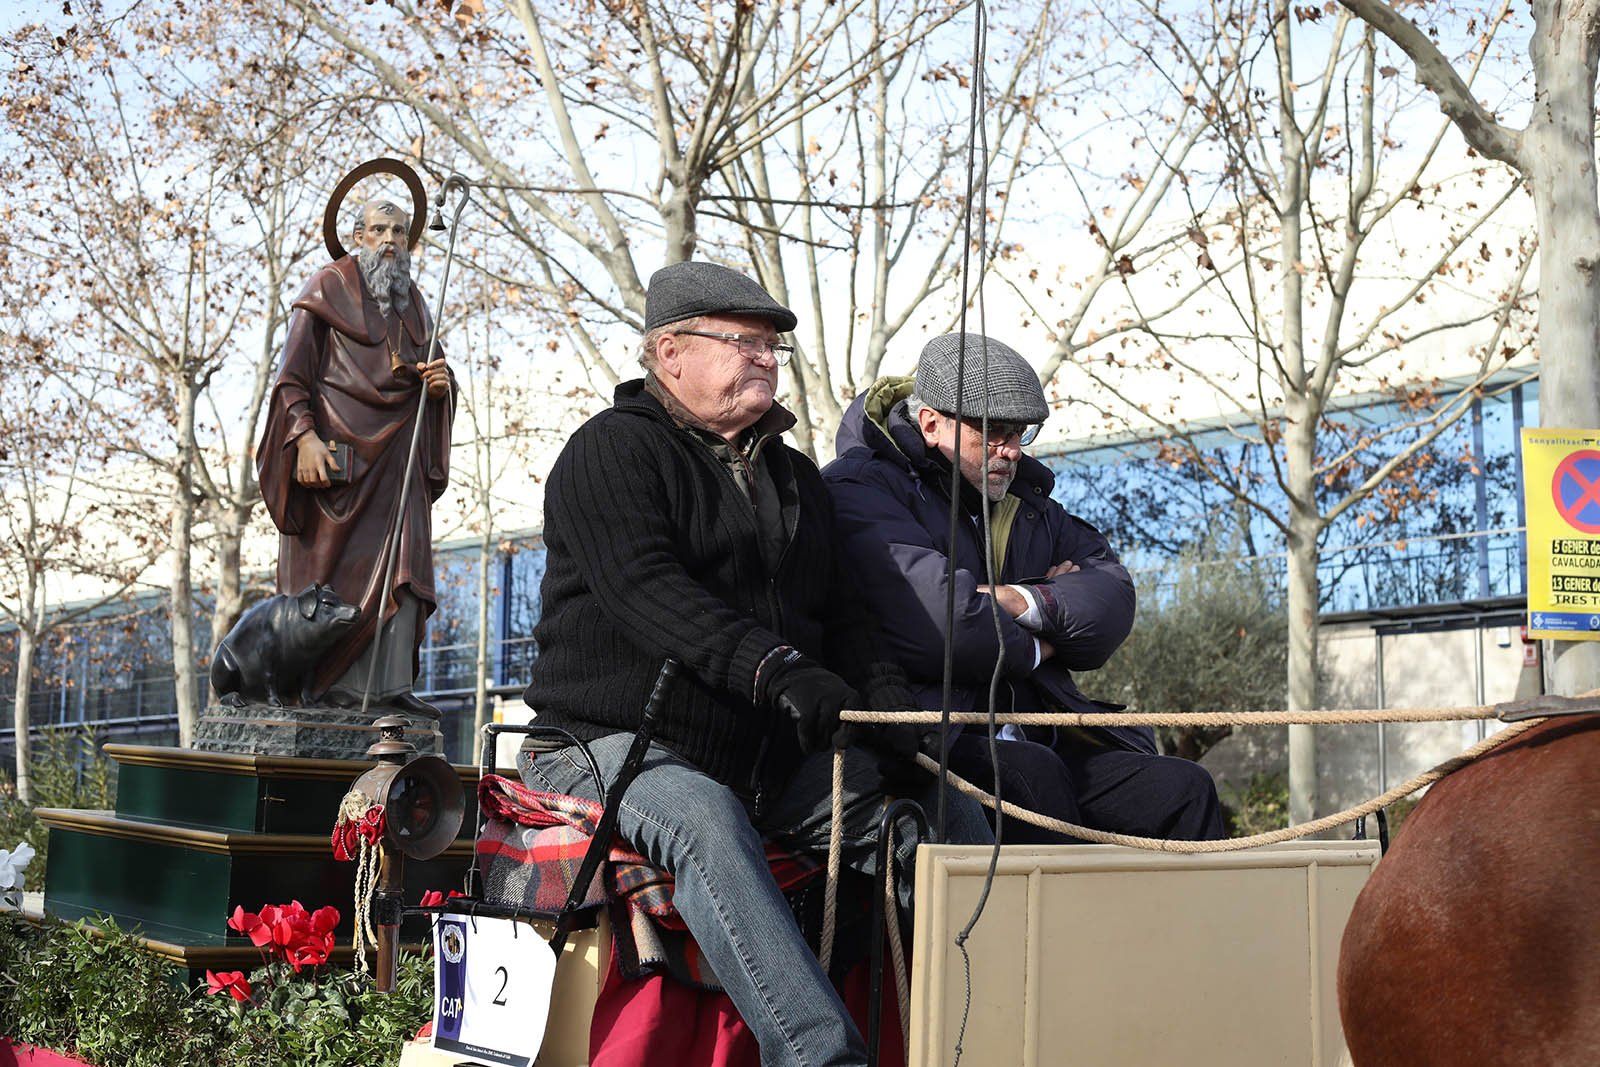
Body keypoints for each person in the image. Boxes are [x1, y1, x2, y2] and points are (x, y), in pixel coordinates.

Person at [520, 262, 992, 1067]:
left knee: (948, 819)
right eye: (743, 340)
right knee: (706, 821)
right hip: (609, 744)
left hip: (762, 756)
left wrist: (899, 732)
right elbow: (648, 593)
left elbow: (848, 622)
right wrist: (775, 669)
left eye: (771, 344)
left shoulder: (795, 475)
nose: (766, 358)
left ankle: (986, 1040)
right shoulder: (607, 452)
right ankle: (821, 1058)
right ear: (668, 351)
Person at [823, 333, 1224, 843]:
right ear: (930, 424)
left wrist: (1016, 598)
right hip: (929, 740)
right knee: (1033, 775)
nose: (1010, 452)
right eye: (994, 433)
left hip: (1038, 729)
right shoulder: (859, 488)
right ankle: (1075, 926)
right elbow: (946, 628)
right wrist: (1044, 642)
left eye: (1020, 434)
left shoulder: (1025, 502)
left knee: (1183, 789)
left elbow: (1113, 600)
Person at [256, 198, 455, 716]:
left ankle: (389, 688)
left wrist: (439, 387)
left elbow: (425, 371)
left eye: (399, 231)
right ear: (358, 235)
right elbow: (290, 379)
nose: (390, 239)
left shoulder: (414, 303)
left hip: (399, 457)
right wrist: (302, 437)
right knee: (333, 580)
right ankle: (324, 684)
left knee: (403, 568)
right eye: (379, 229)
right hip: (340, 461)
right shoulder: (327, 287)